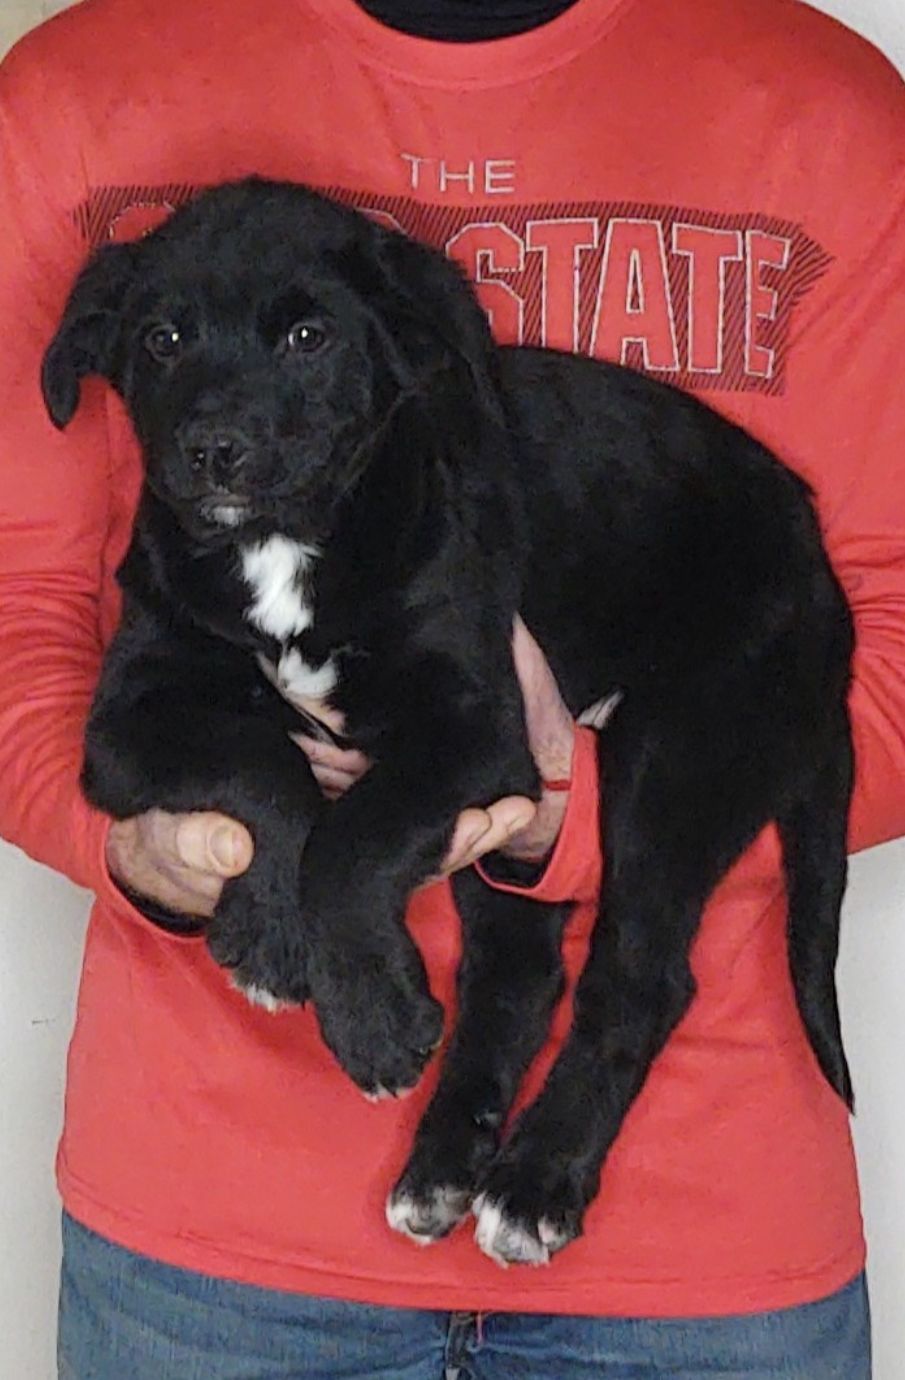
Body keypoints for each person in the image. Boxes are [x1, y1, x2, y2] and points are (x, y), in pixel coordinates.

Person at [1, 0, 903, 1375]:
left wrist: (563, 814)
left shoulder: (825, 113)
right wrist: (135, 850)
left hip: (701, 1260)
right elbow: (18, 612)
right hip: (208, 1247)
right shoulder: (82, 89)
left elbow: (871, 643)